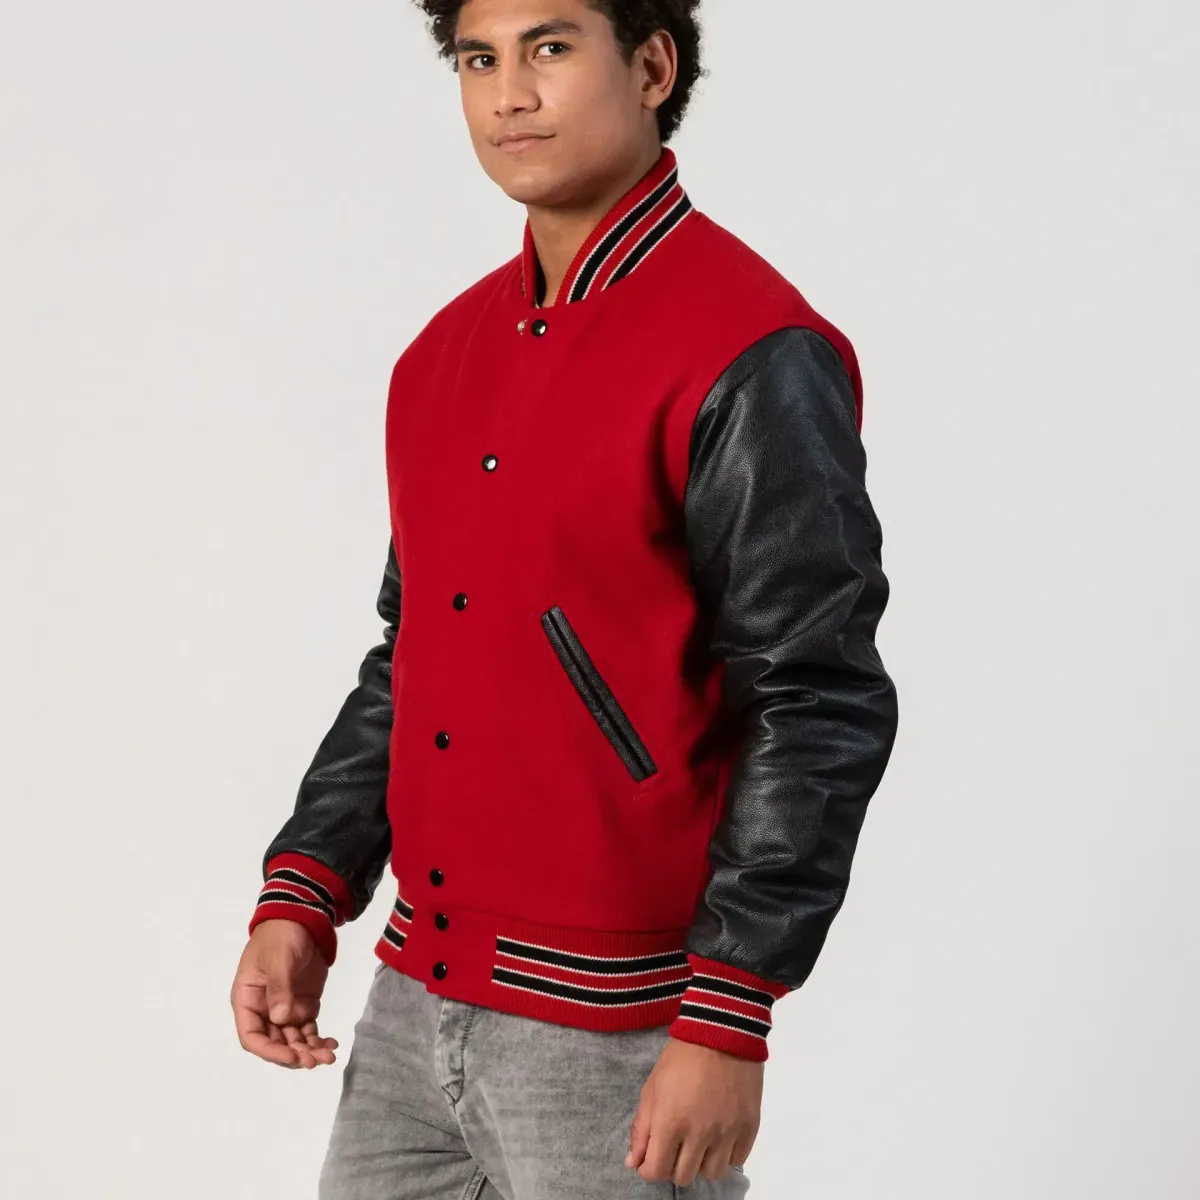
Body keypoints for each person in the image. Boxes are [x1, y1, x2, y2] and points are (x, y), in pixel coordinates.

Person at [229, 0, 899, 1195]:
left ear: (652, 66)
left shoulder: (752, 349)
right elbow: (412, 653)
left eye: (549, 47)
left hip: (619, 1030)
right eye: (478, 59)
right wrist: (307, 889)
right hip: (412, 999)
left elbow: (815, 696)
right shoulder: (441, 358)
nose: (509, 94)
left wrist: (729, 1012)